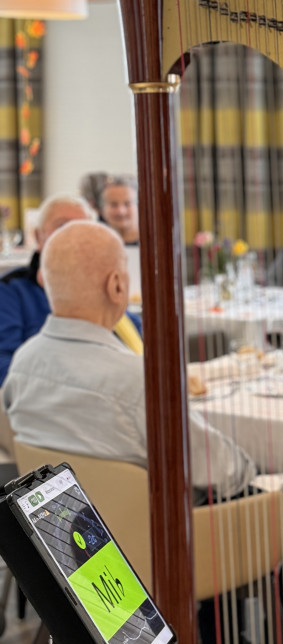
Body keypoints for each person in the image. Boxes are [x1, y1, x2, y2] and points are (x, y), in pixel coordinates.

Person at [3, 220, 254, 503]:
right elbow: (228, 474)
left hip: (67, 533)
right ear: (117, 285)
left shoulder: (23, 363)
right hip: (162, 535)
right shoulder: (138, 380)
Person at [0, 194, 94, 385]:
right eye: (62, 227)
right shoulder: (11, 291)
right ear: (38, 236)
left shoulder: (101, 289)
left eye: (82, 229)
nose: (72, 236)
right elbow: (4, 365)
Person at [100, 174, 139, 244]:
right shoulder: (96, 243)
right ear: (103, 209)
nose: (121, 211)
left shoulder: (155, 242)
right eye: (113, 204)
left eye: (127, 204)